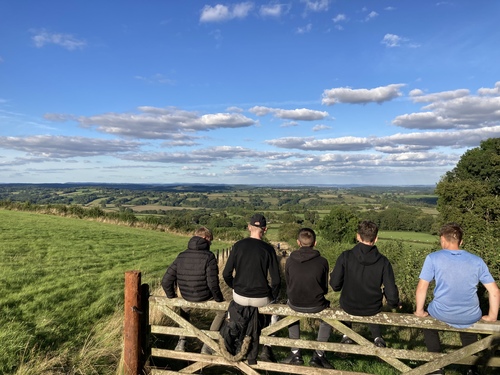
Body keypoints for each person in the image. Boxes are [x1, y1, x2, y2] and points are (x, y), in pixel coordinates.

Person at [414, 223, 499, 375]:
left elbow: (422, 288)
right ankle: (471, 368)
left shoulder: (433, 258)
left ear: (442, 240)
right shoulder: (477, 261)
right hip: (470, 315)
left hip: (441, 312)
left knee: (428, 324)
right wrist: (492, 316)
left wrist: (419, 311)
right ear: (461, 242)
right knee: (468, 328)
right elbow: (494, 291)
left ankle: (436, 367)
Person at [330, 220, 401, 349]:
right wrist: (394, 303)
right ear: (376, 239)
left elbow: (335, 285)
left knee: (347, 301)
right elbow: (391, 292)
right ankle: (377, 338)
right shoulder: (383, 262)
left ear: (358, 236)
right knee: (371, 305)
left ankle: (347, 336)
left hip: (349, 304)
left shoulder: (346, 256)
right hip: (372, 307)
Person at [222, 213, 281, 364]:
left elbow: (226, 274)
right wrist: (272, 297)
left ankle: (230, 342)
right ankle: (267, 347)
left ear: (249, 227)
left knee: (233, 310)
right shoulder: (268, 249)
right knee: (274, 315)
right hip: (261, 298)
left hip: (239, 296)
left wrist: (236, 287)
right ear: (265, 229)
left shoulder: (238, 246)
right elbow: (276, 280)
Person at [161, 227, 225, 354]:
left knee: (184, 309)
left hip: (185, 295)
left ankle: (182, 341)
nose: (211, 244)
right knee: (222, 312)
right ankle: (208, 344)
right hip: (205, 295)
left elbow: (166, 280)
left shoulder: (182, 255)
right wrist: (219, 299)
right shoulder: (209, 256)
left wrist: (172, 297)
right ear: (205, 238)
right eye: (210, 241)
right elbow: (212, 283)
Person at [280, 228, 334, 369]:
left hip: (294, 303)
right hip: (317, 304)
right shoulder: (323, 261)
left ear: (298, 242)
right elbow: (324, 288)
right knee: (328, 319)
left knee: (292, 316)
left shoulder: (290, 260)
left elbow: (288, 282)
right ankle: (319, 355)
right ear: (315, 243)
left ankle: (295, 353)